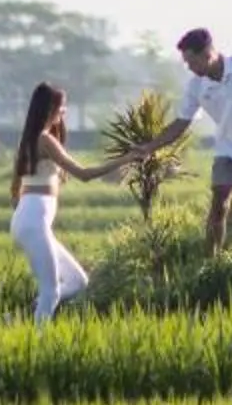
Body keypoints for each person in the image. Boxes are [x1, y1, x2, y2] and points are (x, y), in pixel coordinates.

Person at [9, 82, 141, 324]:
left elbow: (15, 189)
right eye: (62, 107)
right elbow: (84, 174)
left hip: (28, 220)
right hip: (32, 222)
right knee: (52, 291)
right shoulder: (45, 140)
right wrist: (128, 158)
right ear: (51, 109)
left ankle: (19, 318)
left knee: (78, 283)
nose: (64, 112)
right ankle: (36, 345)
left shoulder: (30, 139)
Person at [154, 26, 232, 252]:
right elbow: (181, 124)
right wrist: (149, 147)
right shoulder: (196, 86)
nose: (189, 68)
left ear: (207, 55)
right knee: (219, 202)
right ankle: (211, 260)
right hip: (227, 149)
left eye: (191, 62)